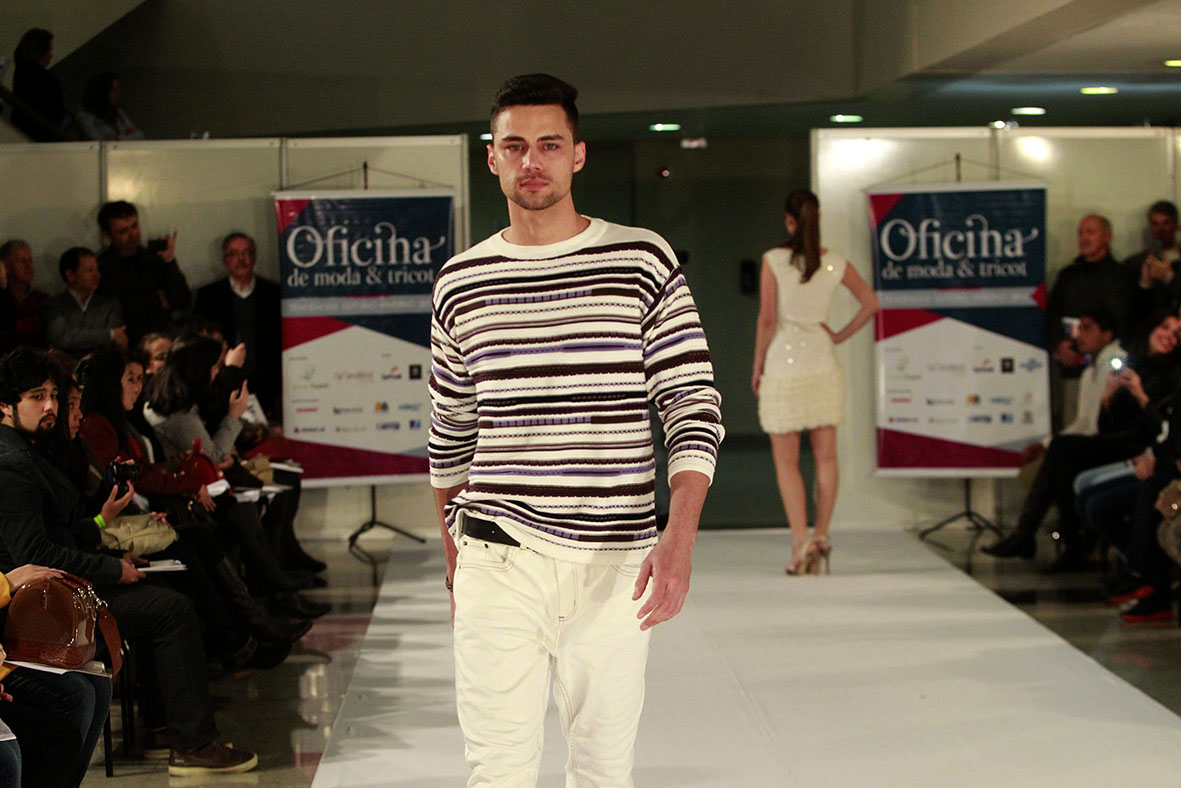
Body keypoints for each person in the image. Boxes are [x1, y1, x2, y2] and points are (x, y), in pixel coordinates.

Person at [430, 73, 723, 786]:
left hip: (616, 560)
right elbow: (450, 433)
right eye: (515, 146)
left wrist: (679, 539)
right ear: (492, 157)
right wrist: (453, 557)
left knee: (602, 770)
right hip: (498, 552)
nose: (532, 161)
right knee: (497, 770)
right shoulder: (460, 282)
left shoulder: (641, 260)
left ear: (577, 154)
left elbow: (691, 404)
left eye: (549, 144)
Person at [0, 346, 257, 776]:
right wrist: (111, 566)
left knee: (169, 590)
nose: (51, 407)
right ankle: (191, 741)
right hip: (36, 607)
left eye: (55, 397)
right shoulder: (13, 464)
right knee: (170, 609)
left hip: (58, 585)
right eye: (37, 397)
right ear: (6, 405)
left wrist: (109, 547)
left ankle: (169, 725)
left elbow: (61, 534)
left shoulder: (32, 450)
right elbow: (35, 554)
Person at [983, 312, 1181, 569]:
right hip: (1116, 443)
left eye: (1176, 334)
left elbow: (1161, 429)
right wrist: (1108, 397)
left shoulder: (1172, 375)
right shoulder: (1130, 365)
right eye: (1164, 328)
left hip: (1142, 448)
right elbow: (1104, 426)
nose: (1169, 336)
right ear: (1151, 328)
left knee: (1065, 453)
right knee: (1066, 464)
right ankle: (1067, 546)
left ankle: (1033, 536)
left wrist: (1141, 395)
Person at [750, 190, 879, 575]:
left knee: (787, 462)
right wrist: (838, 335)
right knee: (826, 457)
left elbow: (767, 320)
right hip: (823, 362)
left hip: (784, 366)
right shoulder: (835, 262)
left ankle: (800, 542)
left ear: (789, 221)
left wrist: (757, 366)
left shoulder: (774, 260)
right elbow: (871, 303)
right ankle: (821, 535)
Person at [1045, 214, 1130, 428]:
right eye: (1081, 233)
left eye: (1091, 232)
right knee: (1070, 423)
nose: (1084, 238)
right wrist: (1060, 344)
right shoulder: (1067, 276)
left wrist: (1089, 345)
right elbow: (1052, 314)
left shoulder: (1120, 276)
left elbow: (1119, 319)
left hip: (1104, 366)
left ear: (1107, 237)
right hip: (1068, 366)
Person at [194, 232, 283, 415]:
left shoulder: (273, 293)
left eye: (246, 253)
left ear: (254, 257)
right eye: (234, 254)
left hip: (268, 382)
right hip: (223, 384)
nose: (241, 259)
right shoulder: (208, 296)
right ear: (225, 260)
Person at [95, 201, 191, 343]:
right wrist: (156, 299)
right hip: (128, 339)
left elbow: (182, 300)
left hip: (163, 333)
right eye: (123, 231)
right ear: (108, 235)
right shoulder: (101, 267)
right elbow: (114, 310)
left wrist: (169, 261)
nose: (132, 234)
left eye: (134, 226)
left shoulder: (153, 258)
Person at [41, 246, 128, 359]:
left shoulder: (110, 305)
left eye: (97, 270)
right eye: (89, 270)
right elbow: (62, 338)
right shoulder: (53, 305)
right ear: (70, 275)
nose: (97, 275)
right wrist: (109, 334)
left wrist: (76, 336)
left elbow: (117, 342)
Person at [1124, 200, 1181, 322]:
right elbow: (1131, 309)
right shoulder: (1134, 263)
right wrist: (1145, 284)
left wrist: (1170, 278)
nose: (1161, 230)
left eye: (1166, 223)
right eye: (1155, 224)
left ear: (1175, 224)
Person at [10, 28, 69, 141]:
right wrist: (65, 120)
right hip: (45, 136)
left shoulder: (20, 74)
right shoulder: (48, 80)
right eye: (49, 51)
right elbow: (55, 113)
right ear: (41, 52)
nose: (51, 55)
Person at [0, 240, 48, 354]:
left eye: (30, 260)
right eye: (21, 261)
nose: (28, 266)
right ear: (6, 266)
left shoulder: (41, 299)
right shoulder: (2, 299)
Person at [75, 72, 144, 142]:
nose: (117, 94)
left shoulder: (118, 113)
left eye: (117, 90)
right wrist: (126, 136)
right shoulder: (85, 117)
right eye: (113, 90)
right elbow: (99, 142)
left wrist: (117, 139)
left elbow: (139, 135)